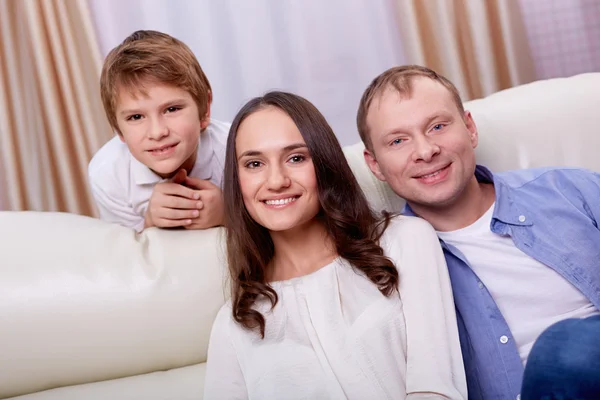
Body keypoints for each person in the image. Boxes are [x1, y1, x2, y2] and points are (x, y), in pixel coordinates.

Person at [356, 64, 600, 400]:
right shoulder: (388, 268)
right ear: (375, 165)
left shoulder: (570, 190)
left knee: (570, 346)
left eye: (438, 126)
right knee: (563, 349)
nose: (426, 151)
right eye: (398, 140)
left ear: (469, 128)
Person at [203, 91, 467, 399]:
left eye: (296, 158)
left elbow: (436, 386)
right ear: (237, 180)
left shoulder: (404, 241)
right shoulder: (233, 323)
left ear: (325, 164)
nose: (276, 181)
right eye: (254, 163)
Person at [88, 30, 228, 232]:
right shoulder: (108, 173)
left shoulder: (238, 150)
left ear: (204, 109)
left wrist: (227, 214)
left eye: (172, 109)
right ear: (118, 129)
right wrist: (149, 223)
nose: (157, 132)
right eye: (136, 117)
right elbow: (127, 257)